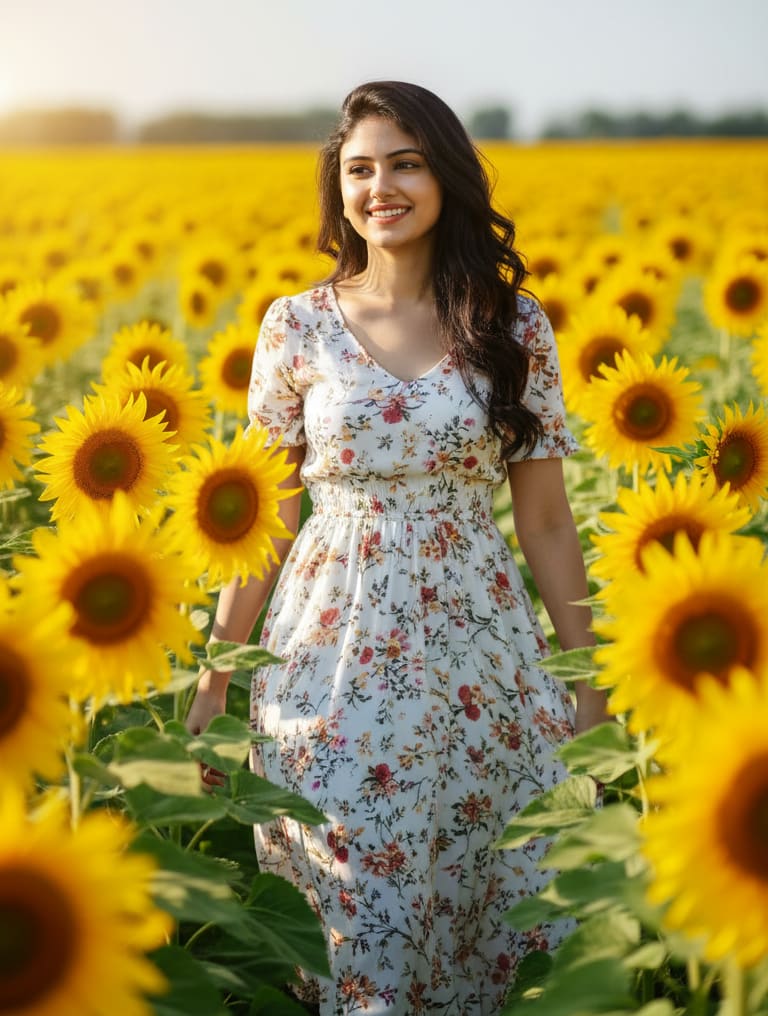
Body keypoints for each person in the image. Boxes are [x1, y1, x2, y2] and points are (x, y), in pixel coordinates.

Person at [186, 80, 606, 1016]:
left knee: (487, 894)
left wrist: (590, 683)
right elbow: (268, 515)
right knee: (352, 903)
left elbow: (544, 521)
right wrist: (217, 676)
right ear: (339, 187)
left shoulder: (512, 324)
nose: (381, 186)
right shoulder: (294, 325)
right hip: (326, 658)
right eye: (361, 167)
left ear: (447, 175)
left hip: (481, 657)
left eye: (406, 163)